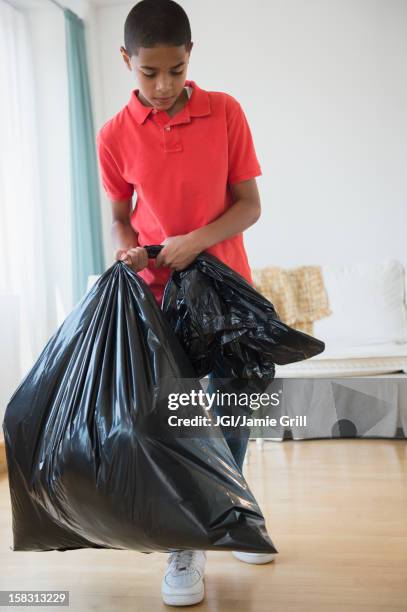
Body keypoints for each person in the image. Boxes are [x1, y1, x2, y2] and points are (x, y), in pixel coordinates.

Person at [96, 0, 275, 606]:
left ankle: (233, 513)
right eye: (150, 74)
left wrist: (195, 242)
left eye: (175, 70)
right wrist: (130, 252)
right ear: (127, 61)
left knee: (233, 410)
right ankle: (187, 541)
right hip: (159, 298)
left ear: (190, 55)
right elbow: (120, 219)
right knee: (175, 422)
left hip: (227, 289)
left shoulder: (225, 112)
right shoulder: (114, 136)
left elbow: (248, 205)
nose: (165, 85)